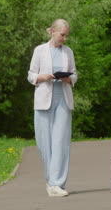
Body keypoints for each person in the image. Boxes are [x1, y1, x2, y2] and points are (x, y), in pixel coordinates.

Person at [27, 19, 78, 197]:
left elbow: (74, 73)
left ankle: (58, 183)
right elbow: (31, 74)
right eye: (62, 34)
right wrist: (42, 77)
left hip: (63, 99)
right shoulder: (39, 50)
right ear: (53, 32)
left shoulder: (68, 52)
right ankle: (50, 182)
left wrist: (69, 79)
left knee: (61, 142)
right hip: (43, 100)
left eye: (66, 35)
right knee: (44, 143)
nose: (64, 38)